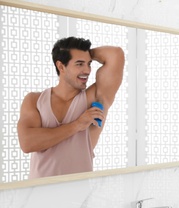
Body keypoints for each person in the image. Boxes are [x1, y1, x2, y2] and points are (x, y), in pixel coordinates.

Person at [17, 37, 125, 179]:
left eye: (89, 63)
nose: (87, 70)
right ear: (61, 66)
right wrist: (77, 125)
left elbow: (116, 54)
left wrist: (85, 53)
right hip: (39, 194)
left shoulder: (94, 98)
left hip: (80, 194)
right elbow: (27, 143)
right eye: (79, 64)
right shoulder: (34, 100)